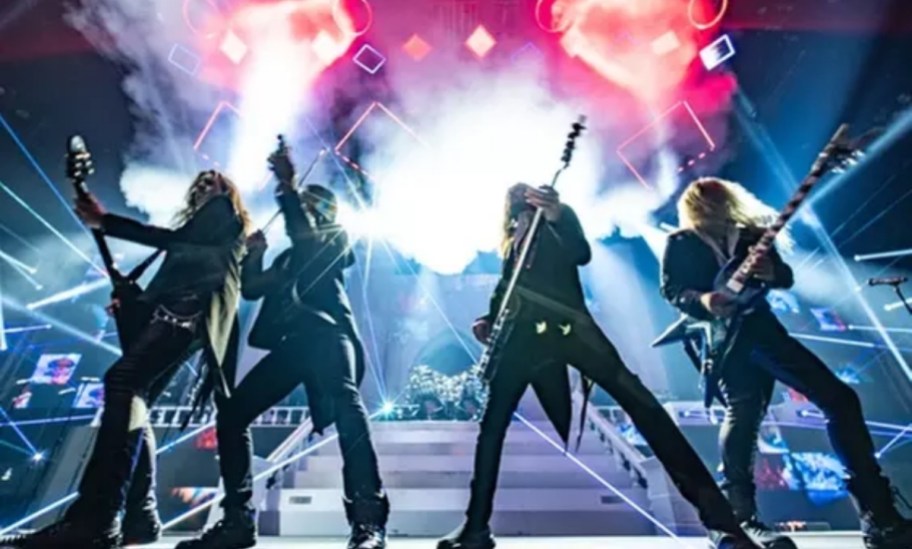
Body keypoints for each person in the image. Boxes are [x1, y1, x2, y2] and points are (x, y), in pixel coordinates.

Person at [437, 183, 761, 549]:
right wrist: (489, 318)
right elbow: (507, 289)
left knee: (643, 406)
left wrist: (560, 216)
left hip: (571, 329)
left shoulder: (557, 221)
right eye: (513, 198)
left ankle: (722, 523)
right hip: (519, 341)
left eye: (523, 195)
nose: (519, 200)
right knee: (491, 429)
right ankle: (475, 527)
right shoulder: (514, 242)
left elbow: (580, 253)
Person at [0, 170, 249, 549]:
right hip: (179, 317)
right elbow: (176, 268)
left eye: (211, 182)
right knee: (137, 401)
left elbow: (176, 244)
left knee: (123, 383)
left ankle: (96, 520)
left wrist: (107, 222)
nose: (202, 187)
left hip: (183, 317)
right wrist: (132, 297)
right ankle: (140, 517)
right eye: (198, 183)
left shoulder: (221, 213)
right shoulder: (203, 235)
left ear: (226, 193)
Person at [660, 177, 912, 549]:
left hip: (762, 330)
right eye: (704, 200)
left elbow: (785, 276)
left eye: (716, 198)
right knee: (745, 412)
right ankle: (740, 520)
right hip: (722, 339)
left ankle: (876, 513)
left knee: (838, 399)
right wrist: (705, 300)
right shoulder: (680, 242)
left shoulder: (752, 235)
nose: (711, 206)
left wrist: (771, 274)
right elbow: (672, 290)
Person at [176, 146, 387, 549]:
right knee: (234, 414)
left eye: (312, 205)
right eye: (302, 204)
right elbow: (254, 288)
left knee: (347, 408)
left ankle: (368, 521)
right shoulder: (290, 258)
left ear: (324, 212)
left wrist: (288, 188)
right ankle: (238, 520)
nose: (304, 210)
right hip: (294, 345)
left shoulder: (334, 241)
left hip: (328, 335)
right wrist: (254, 257)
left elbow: (305, 239)